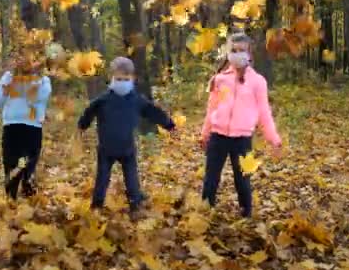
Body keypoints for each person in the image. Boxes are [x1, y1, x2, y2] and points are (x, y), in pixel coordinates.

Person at [78, 57, 176, 216]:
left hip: (127, 148)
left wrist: (169, 124)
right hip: (106, 148)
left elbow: (152, 112)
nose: (122, 82)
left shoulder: (136, 100)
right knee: (102, 178)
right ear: (111, 78)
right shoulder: (104, 100)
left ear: (132, 79)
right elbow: (89, 111)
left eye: (125, 79)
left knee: (131, 179)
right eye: (118, 79)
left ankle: (135, 204)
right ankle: (96, 205)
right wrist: (82, 125)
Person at [200, 33, 282, 218]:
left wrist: (274, 139)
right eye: (234, 51)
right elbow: (211, 109)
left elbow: (264, 113)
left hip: (242, 139)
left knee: (243, 180)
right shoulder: (219, 79)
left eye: (241, 50)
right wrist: (205, 133)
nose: (238, 54)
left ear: (249, 53)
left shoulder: (258, 82)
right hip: (218, 137)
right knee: (211, 179)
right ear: (228, 53)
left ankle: (246, 215)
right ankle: (204, 214)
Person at [0, 57, 52, 199]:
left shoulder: (43, 80)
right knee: (12, 164)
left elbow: (41, 97)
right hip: (13, 126)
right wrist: (10, 79)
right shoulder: (9, 77)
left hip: (32, 127)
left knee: (27, 162)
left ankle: (26, 186)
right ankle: (11, 199)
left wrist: (33, 77)